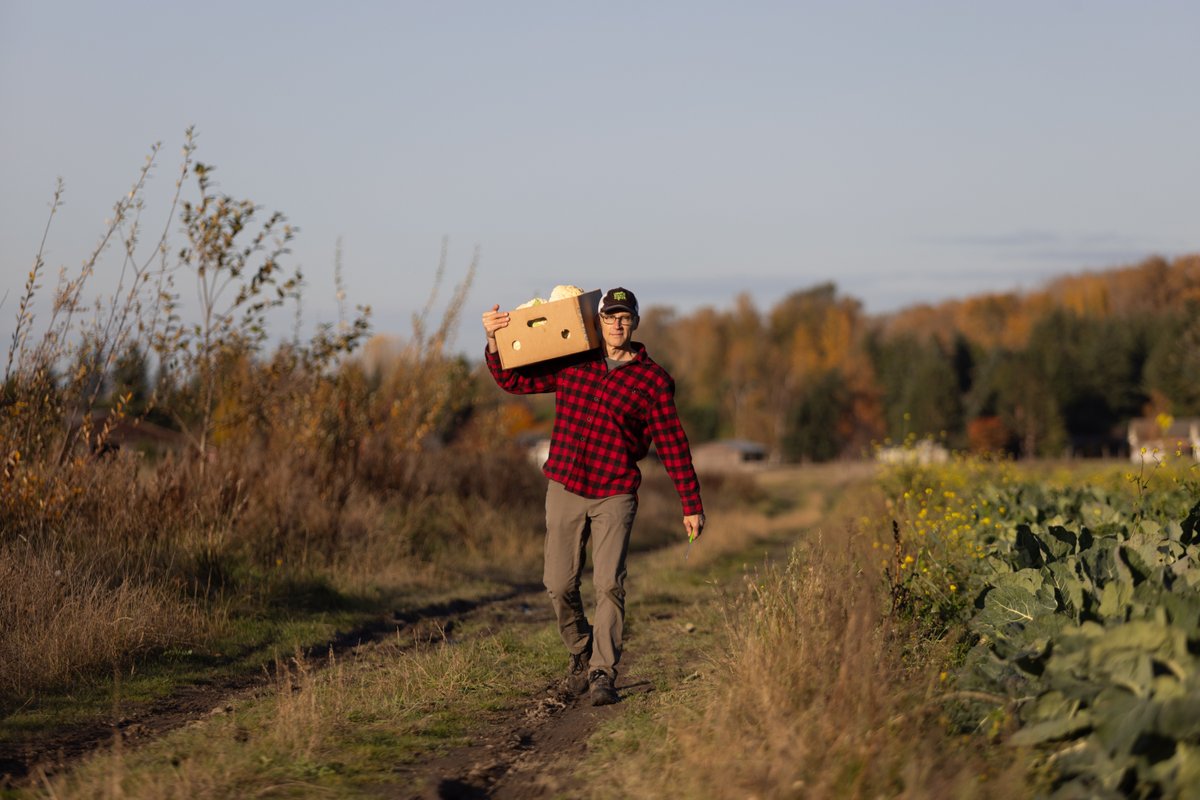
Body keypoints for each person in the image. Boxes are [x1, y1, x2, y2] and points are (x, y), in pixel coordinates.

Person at [481, 287, 705, 706]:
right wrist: (494, 341)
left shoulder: (653, 380)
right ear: (596, 321)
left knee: (608, 584)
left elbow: (673, 443)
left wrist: (690, 504)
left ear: (635, 323)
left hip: (615, 492)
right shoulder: (574, 360)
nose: (616, 324)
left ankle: (603, 673)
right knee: (557, 583)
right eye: (609, 317)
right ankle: (582, 648)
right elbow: (513, 380)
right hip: (566, 484)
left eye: (624, 318)